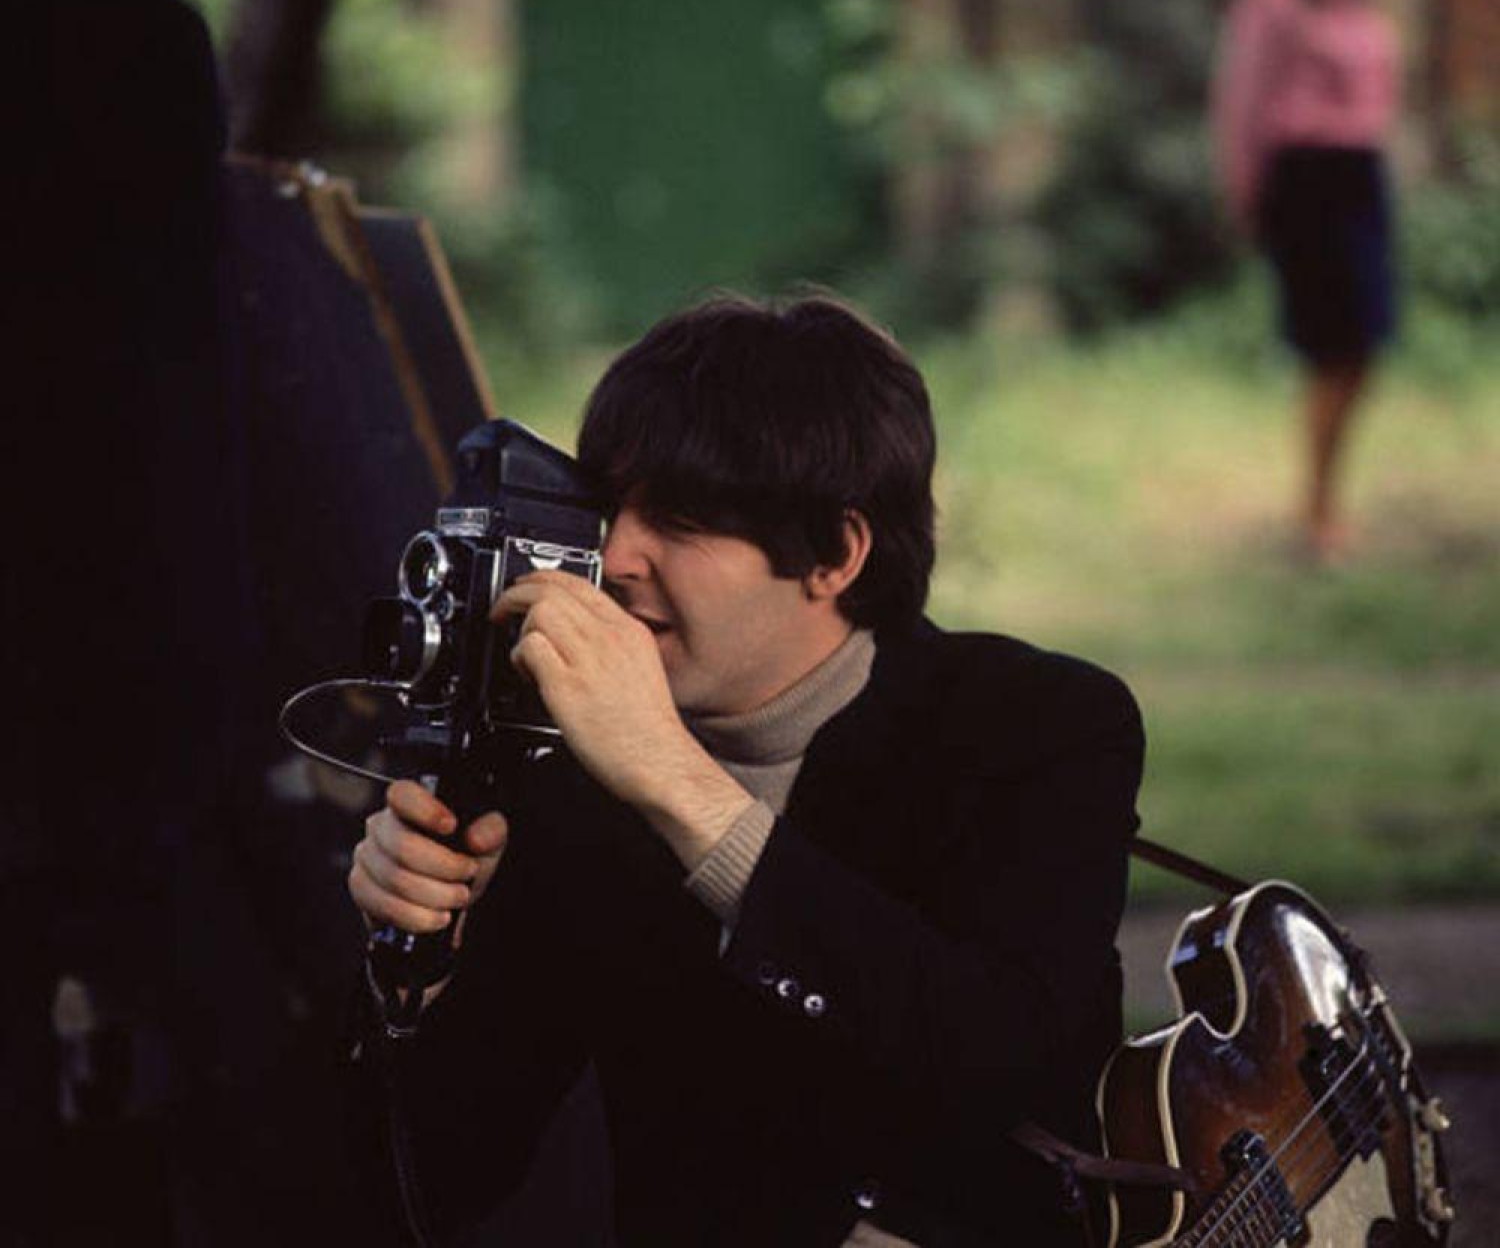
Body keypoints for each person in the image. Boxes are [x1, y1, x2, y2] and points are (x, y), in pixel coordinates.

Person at [348, 294, 1145, 1247]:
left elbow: (1000, 1053)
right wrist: (420, 973)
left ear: (835, 555)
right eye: (610, 508)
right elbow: (435, 1181)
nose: (619, 557)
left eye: (680, 520)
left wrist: (676, 782)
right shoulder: (569, 781)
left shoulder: (1039, 724)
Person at [1213, 0, 1400, 564]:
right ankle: (1316, 511)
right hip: (1306, 185)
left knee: (1366, 347)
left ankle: (1326, 497)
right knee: (1330, 348)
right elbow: (1242, 103)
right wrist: (1245, 196)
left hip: (1360, 180)